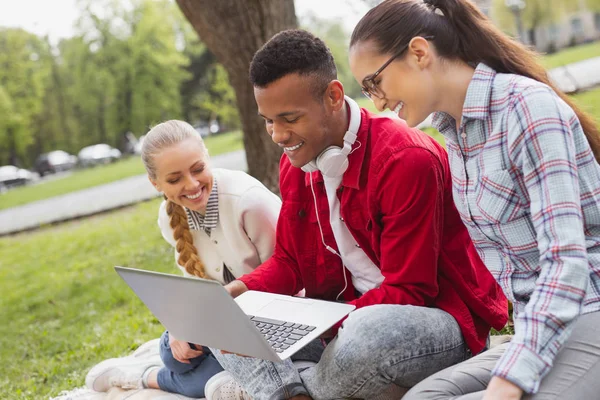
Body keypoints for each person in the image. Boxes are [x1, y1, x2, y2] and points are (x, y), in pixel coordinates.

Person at [205, 29, 508, 400]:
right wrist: (243, 290)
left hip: (431, 324)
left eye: (289, 118)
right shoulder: (295, 164)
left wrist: (317, 324)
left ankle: (279, 388)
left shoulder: (405, 160)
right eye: (268, 120)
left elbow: (409, 292)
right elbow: (289, 262)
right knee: (226, 320)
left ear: (333, 96)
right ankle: (293, 392)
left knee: (367, 333)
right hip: (339, 324)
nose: (278, 135)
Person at [348, 1, 600, 399]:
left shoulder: (526, 109)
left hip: (588, 310)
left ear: (418, 53)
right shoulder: (454, 136)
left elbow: (567, 264)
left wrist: (514, 377)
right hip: (536, 328)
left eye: (374, 82)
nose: (376, 102)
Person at [84, 120, 282, 399]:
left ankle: (145, 378)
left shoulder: (248, 202)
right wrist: (182, 325)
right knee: (173, 352)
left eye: (198, 169)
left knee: (199, 376)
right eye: (175, 179)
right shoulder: (169, 217)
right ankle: (179, 367)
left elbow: (287, 277)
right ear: (155, 183)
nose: (191, 184)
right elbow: (198, 287)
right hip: (223, 321)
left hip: (267, 319)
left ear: (208, 159)